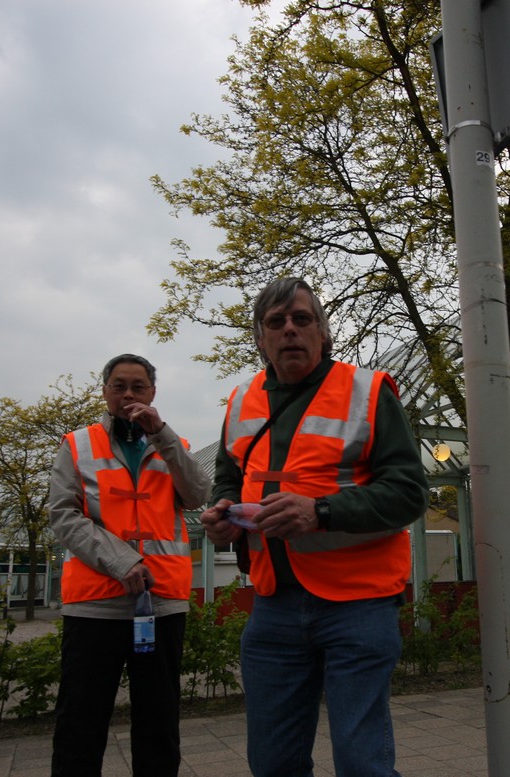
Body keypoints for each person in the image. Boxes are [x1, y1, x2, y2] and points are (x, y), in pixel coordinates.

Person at [201, 277, 428, 777]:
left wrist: (320, 511)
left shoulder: (367, 390)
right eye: (276, 322)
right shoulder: (240, 400)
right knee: (272, 762)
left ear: (322, 334)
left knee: (362, 763)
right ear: (260, 338)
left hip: (358, 604)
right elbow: (229, 476)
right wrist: (223, 511)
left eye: (301, 319)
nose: (289, 330)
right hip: (273, 603)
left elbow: (410, 492)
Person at [49, 353, 209, 777]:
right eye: (119, 386)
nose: (128, 395)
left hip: (161, 602)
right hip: (94, 603)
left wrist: (162, 434)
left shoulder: (174, 446)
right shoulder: (78, 444)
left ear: (153, 393)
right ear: (105, 392)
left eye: (138, 387)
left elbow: (198, 494)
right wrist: (122, 561)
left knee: (159, 721)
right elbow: (63, 515)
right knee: (80, 722)